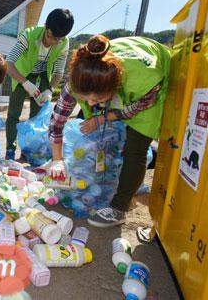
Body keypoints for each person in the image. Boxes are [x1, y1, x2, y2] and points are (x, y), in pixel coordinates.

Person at [47, 35, 171, 228]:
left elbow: (137, 107)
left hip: (152, 89)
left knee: (135, 149)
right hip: (116, 84)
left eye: (97, 100)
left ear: (114, 87)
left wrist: (103, 118)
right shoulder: (77, 81)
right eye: (85, 98)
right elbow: (57, 122)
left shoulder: (142, 78)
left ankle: (119, 207)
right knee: (92, 136)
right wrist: (57, 160)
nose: (89, 103)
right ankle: (116, 179)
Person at [5, 9, 74, 161]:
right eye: (50, 36)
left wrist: (50, 89)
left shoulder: (64, 43)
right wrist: (25, 82)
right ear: (45, 27)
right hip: (21, 73)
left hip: (43, 76)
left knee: (37, 116)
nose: (52, 42)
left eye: (58, 39)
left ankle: (28, 151)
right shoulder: (28, 35)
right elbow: (8, 63)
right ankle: (10, 148)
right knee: (13, 114)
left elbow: (58, 71)